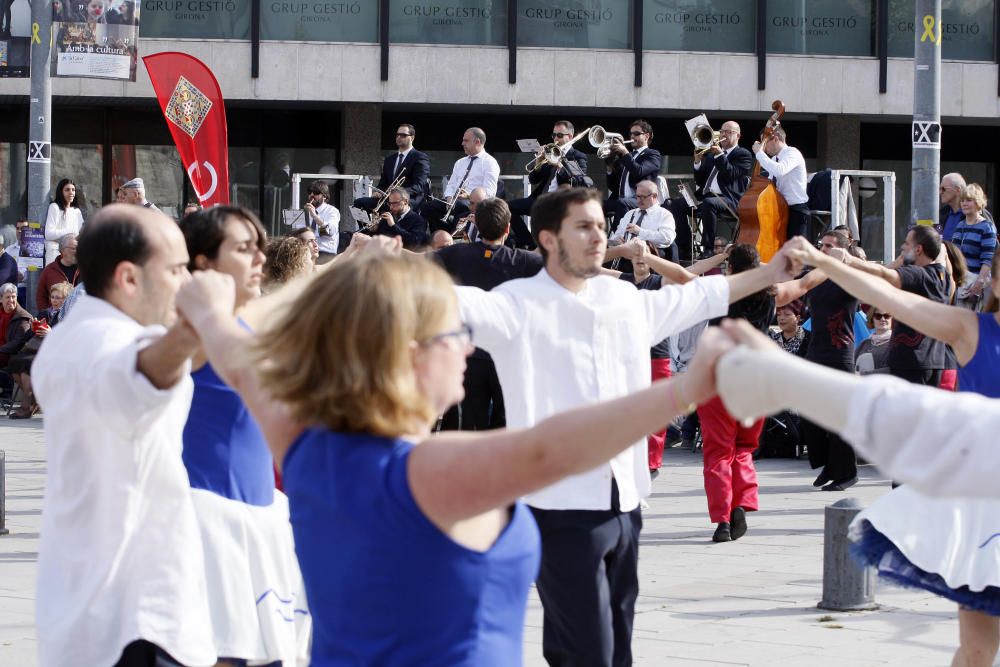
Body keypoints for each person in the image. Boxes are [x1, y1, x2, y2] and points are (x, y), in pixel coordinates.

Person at [173, 239, 735, 666]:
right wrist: (689, 387)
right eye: (453, 334)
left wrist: (210, 312)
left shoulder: (307, 446)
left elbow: (238, 353)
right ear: (409, 354)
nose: (467, 345)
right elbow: (553, 448)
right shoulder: (425, 472)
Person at [457, 187, 795, 666]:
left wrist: (770, 271)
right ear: (548, 239)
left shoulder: (623, 298)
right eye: (584, 227)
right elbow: (444, 303)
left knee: (617, 647)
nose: (599, 236)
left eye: (600, 225)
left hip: (627, 499)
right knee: (587, 651)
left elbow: (703, 294)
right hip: (558, 508)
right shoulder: (516, 304)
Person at [32, 204, 216, 667]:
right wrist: (197, 323)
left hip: (102, 613)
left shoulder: (73, 338)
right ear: (130, 279)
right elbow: (133, 375)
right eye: (176, 270)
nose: (187, 282)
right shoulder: (103, 344)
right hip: (133, 625)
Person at [178, 206, 310, 666]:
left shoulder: (247, 318)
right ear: (202, 264)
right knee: (224, 655)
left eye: (260, 245)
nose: (260, 257)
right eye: (243, 248)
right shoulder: (187, 330)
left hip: (264, 513)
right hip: (212, 519)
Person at [434, 198, 543, 432]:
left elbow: (415, 264)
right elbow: (569, 270)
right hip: (508, 358)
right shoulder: (523, 260)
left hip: (467, 357)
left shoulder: (455, 254)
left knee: (462, 432)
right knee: (509, 430)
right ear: (508, 227)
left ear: (477, 225)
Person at [697, 244, 774, 542]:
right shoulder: (770, 292)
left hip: (720, 374)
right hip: (755, 375)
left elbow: (686, 276)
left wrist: (720, 257)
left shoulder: (721, 290)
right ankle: (741, 502)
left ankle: (722, 520)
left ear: (730, 267)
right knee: (743, 448)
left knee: (718, 451)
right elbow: (801, 281)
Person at [773, 230, 859, 491]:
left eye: (830, 246)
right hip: (816, 349)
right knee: (811, 414)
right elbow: (790, 285)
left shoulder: (849, 278)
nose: (824, 249)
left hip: (840, 351)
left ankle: (846, 473)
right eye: (822, 245)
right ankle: (828, 465)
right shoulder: (815, 277)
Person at [668, 121, 752, 261]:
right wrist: (697, 162)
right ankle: (685, 247)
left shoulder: (743, 154)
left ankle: (708, 249)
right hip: (706, 197)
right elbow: (701, 181)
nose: (724, 134)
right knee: (673, 204)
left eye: (728, 132)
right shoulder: (712, 156)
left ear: (738, 135)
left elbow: (730, 174)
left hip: (728, 200)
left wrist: (720, 155)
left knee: (709, 203)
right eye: (722, 131)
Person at [508, 120, 589, 248]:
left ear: (570, 136)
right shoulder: (550, 152)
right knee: (507, 207)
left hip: (560, 202)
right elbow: (533, 180)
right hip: (541, 199)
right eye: (554, 135)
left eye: (560, 135)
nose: (556, 138)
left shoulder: (578, 156)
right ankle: (528, 242)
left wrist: (559, 165)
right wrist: (538, 162)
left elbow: (577, 181)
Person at [6, 282, 72, 419]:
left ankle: (27, 406)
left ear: (66, 300)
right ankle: (33, 401)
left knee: (29, 365)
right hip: (37, 350)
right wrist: (33, 328)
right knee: (15, 362)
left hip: (57, 354)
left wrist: (51, 332)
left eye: (59, 298)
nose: (55, 300)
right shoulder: (44, 313)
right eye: (53, 297)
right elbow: (28, 337)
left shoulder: (68, 316)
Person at [422, 127, 501, 232]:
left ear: (477, 142)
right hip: (454, 201)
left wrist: (469, 195)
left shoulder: (490, 162)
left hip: (471, 203)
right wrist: (449, 196)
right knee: (427, 208)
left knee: (461, 211)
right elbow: (451, 184)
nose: (462, 143)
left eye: (466, 141)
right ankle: (443, 235)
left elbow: (490, 192)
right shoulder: (460, 162)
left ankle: (451, 234)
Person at [352, 123, 431, 213]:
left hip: (408, 200)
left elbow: (419, 186)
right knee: (359, 203)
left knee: (394, 208)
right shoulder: (389, 159)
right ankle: (368, 227)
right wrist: (378, 192)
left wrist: (399, 194)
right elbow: (383, 183)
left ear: (412, 138)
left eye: (403, 135)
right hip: (388, 199)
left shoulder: (420, 157)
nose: (399, 137)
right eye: (397, 135)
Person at [752, 126, 809, 239]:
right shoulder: (773, 160)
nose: (763, 148)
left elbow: (779, 171)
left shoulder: (792, 153)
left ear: (775, 138)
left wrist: (759, 153)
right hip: (779, 210)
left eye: (765, 143)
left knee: (794, 252)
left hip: (795, 210)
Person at [603, 120, 662, 227]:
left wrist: (624, 152)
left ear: (646, 136)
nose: (632, 136)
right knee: (595, 204)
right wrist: (610, 167)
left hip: (641, 200)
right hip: (621, 200)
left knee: (622, 203)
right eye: (631, 133)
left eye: (636, 134)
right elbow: (613, 187)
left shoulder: (652, 155)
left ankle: (618, 238)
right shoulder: (626, 157)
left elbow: (639, 171)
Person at [607, 180, 676, 264]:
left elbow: (667, 238)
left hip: (652, 257)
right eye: (637, 196)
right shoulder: (630, 214)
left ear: (654, 196)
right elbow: (617, 235)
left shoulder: (664, 215)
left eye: (643, 197)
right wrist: (617, 241)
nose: (639, 200)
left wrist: (640, 232)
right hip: (627, 258)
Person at [951, 184, 997, 309]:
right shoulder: (960, 225)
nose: (964, 203)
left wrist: (978, 284)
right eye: (962, 200)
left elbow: (988, 259)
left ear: (978, 202)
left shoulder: (986, 227)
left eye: (969, 200)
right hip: (959, 282)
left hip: (975, 283)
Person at [298, 179, 341, 261]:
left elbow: (331, 231)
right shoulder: (306, 211)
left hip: (325, 251)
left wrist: (315, 216)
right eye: (310, 192)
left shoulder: (332, 211)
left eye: (316, 193)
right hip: (307, 252)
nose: (312, 195)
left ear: (324, 196)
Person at [44, 178, 84, 266]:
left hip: (72, 254)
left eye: (73, 190)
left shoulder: (77, 211)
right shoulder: (54, 207)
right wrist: (70, 232)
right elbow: (48, 234)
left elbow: (81, 235)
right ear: (61, 192)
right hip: (55, 254)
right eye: (67, 190)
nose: (71, 192)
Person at [36, 234, 80, 311]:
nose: (76, 251)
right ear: (62, 250)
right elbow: (41, 297)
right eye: (73, 248)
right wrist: (47, 316)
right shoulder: (49, 270)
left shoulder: (84, 269)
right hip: (55, 320)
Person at [0, 282, 32, 370]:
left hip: (9, 354)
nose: (11, 300)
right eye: (7, 297)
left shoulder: (23, 317)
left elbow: (17, 343)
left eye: (13, 297)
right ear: (1, 299)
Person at [854, 307, 891, 374]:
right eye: (878, 316)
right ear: (872, 319)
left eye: (887, 316)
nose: (883, 319)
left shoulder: (896, 344)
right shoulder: (864, 344)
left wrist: (862, 375)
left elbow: (894, 370)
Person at [939, 172, 968, 241]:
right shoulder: (941, 213)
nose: (940, 192)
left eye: (943, 189)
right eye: (939, 189)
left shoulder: (976, 212)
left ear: (957, 189)